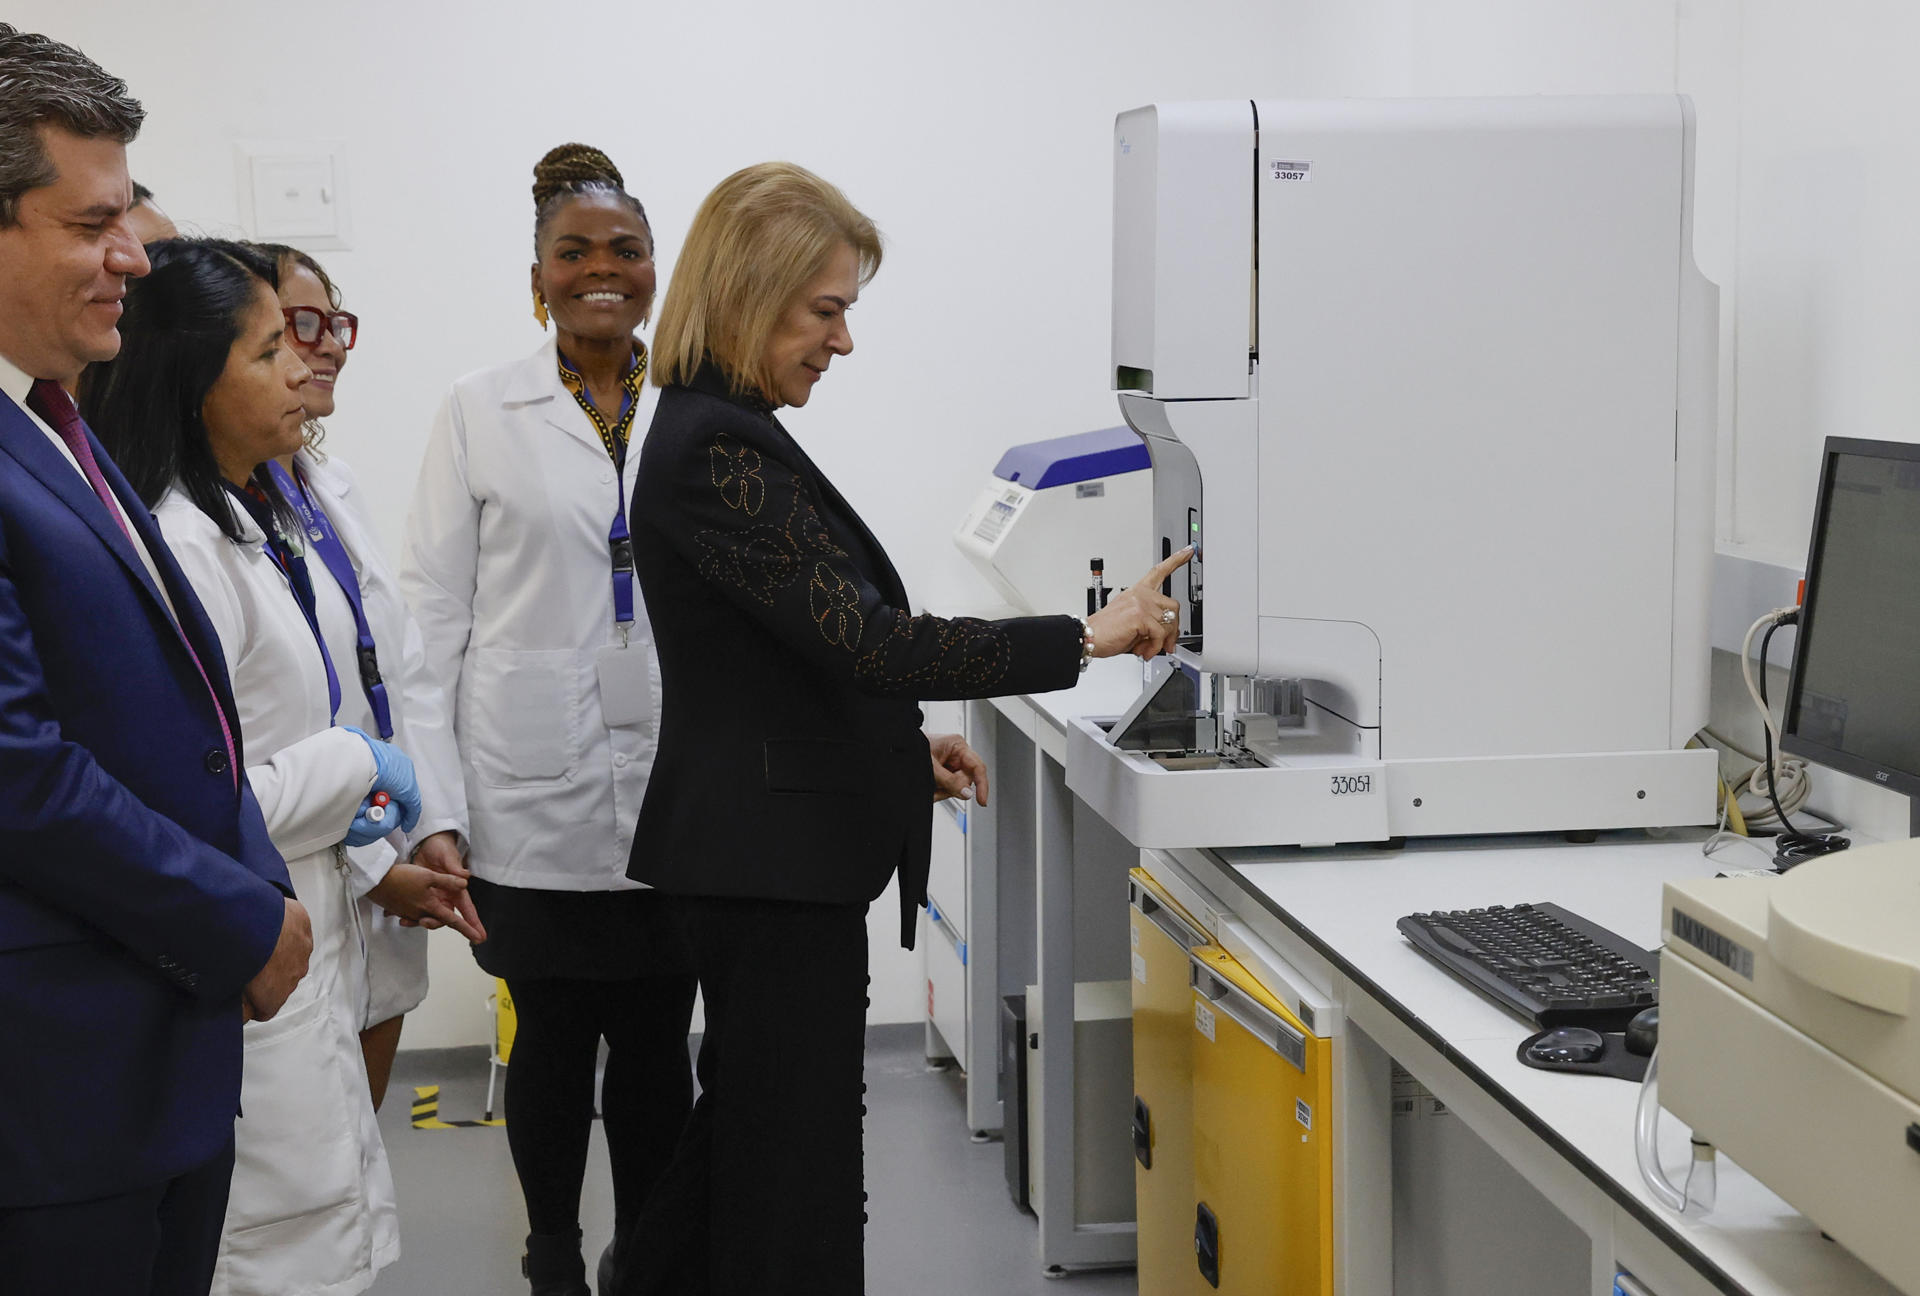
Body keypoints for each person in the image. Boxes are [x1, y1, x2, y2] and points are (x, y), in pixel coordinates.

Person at [617, 160, 1191, 1296]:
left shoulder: (717, 433)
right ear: (747, 292)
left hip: (761, 855)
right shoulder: (718, 451)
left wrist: (888, 750)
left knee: (741, 1149)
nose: (840, 342)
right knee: (796, 1184)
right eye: (824, 310)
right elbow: (870, 640)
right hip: (766, 873)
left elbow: (788, 660)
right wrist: (1093, 631)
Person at [0, 27, 310, 1296]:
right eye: (94, 223)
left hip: (150, 1049)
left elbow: (183, 715)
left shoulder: (55, 421)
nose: (137, 254)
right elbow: (17, 771)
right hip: (53, 1082)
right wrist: (240, 918)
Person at [84, 236, 421, 1296]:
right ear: (192, 376)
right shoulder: (180, 543)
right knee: (271, 1255)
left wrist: (360, 824)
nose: (300, 372)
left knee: (332, 1224)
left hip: (312, 926)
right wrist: (349, 763)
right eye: (271, 351)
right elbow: (198, 805)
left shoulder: (256, 515)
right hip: (250, 958)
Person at [403, 143, 697, 1296]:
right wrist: (435, 804)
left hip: (672, 785)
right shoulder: (480, 411)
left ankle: (653, 1253)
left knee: (657, 1040)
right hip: (524, 793)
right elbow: (429, 616)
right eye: (573, 253)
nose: (601, 272)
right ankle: (554, 1254)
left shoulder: (692, 408)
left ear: (654, 272)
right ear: (539, 280)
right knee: (553, 1043)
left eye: (624, 251)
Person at [260, 241, 484, 1110]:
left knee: (360, 1155)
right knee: (310, 1163)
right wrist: (375, 868)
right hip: (316, 871)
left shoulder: (328, 483)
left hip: (384, 852)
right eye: (297, 324)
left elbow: (403, 669)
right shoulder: (202, 513)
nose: (330, 345)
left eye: (335, 321)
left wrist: (431, 826)